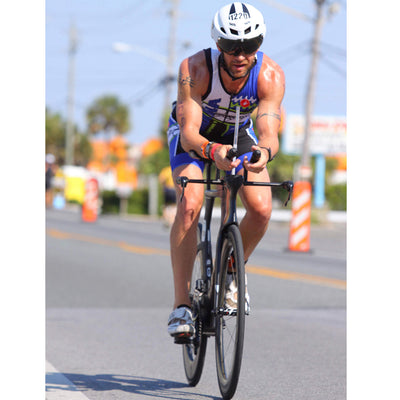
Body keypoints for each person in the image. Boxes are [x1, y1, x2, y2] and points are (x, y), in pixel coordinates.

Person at [166, 2, 285, 340]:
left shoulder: (270, 75)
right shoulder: (195, 68)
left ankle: (230, 273)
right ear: (217, 43)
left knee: (261, 209)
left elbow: (269, 134)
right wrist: (212, 151)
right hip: (196, 136)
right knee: (189, 204)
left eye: (249, 46)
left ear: (259, 43)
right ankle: (181, 306)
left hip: (238, 134)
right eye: (230, 46)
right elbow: (190, 132)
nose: (240, 54)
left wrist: (263, 153)